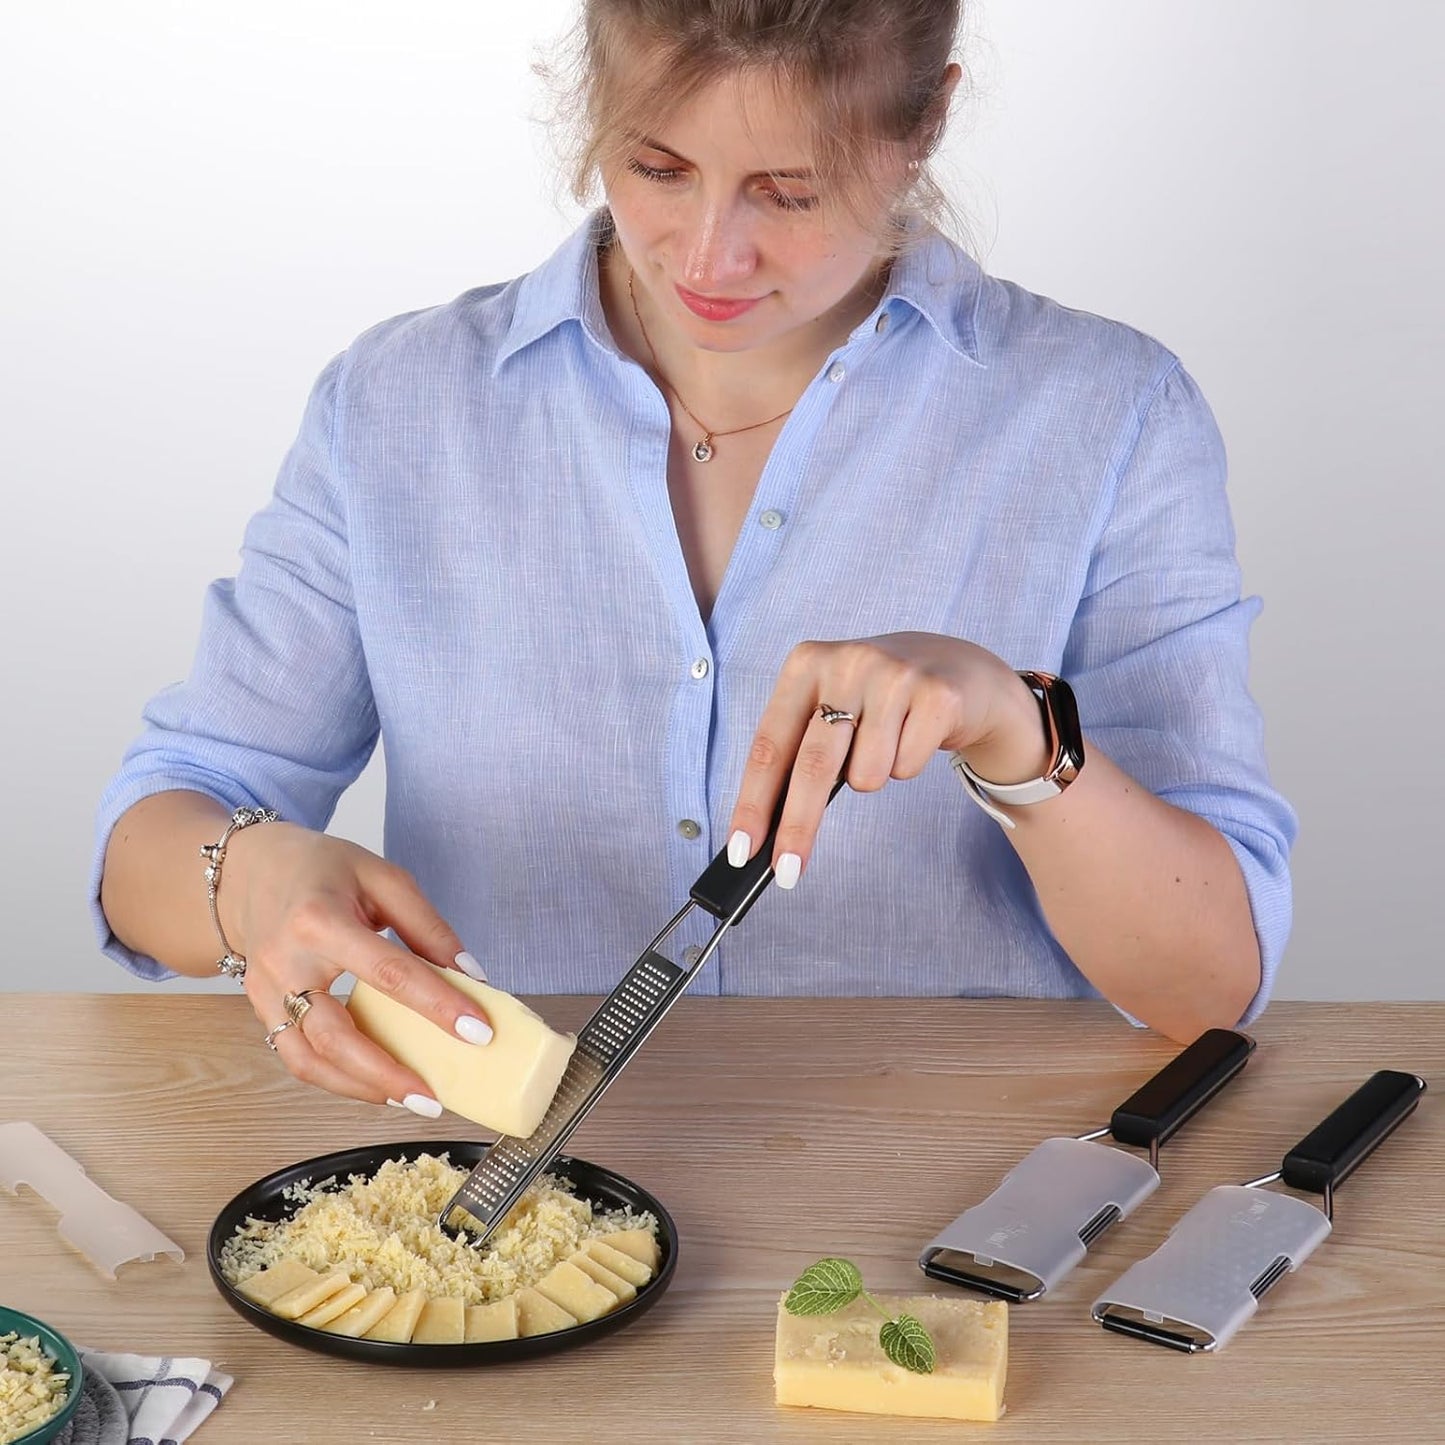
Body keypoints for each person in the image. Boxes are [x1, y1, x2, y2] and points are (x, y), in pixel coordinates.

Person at [94, 0, 1296, 1117]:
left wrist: (1014, 730)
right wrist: (247, 879)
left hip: (952, 1194)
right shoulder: (397, 403)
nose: (708, 258)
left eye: (789, 191)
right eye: (657, 168)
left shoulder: (1108, 413)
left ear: (924, 123)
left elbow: (1208, 984)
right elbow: (154, 835)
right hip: (507, 1209)